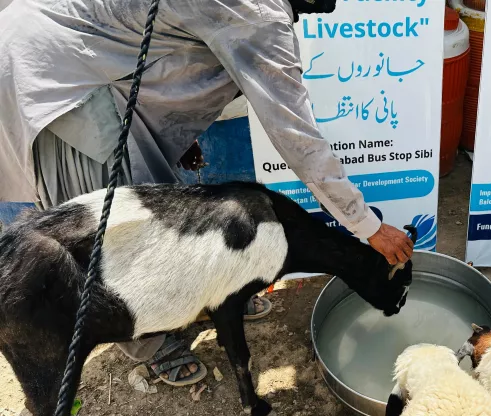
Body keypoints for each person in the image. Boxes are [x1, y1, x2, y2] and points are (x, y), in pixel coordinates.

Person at [0, 0, 414, 386]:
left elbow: (169, 46)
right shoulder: (257, 13)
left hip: (106, 66)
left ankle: (207, 300)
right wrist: (367, 225)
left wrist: (173, 124)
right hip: (62, 78)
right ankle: (151, 344)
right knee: (114, 236)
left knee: (164, 222)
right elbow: (298, 139)